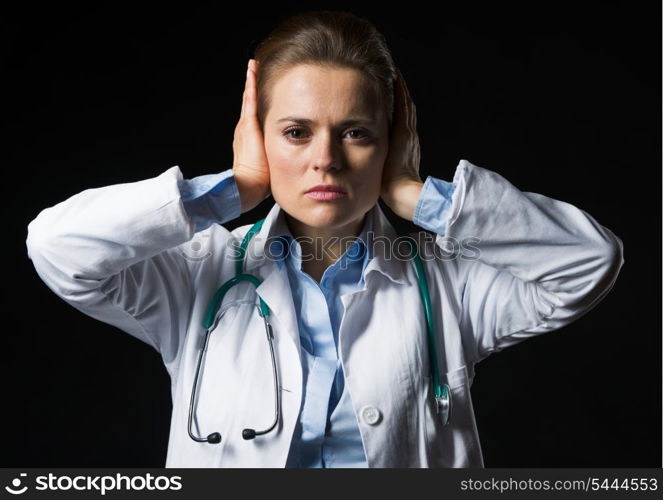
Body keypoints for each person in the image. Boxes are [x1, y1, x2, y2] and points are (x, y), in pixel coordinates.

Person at [25, 10, 624, 468]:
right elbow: (57, 246)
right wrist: (233, 191)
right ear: (257, 137)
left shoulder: (449, 282)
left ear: (390, 143)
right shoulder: (195, 275)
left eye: (356, 132)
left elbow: (588, 261)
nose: (326, 161)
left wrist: (417, 196)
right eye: (295, 131)